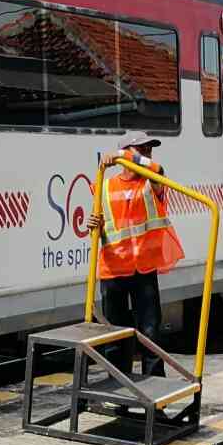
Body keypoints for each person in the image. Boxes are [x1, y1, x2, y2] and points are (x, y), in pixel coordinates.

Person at [85, 138, 186, 378]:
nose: (147, 153)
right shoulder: (105, 186)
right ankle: (118, 386)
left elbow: (158, 169)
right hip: (113, 269)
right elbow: (99, 228)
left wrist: (122, 155)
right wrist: (93, 225)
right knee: (115, 337)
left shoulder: (152, 183)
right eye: (141, 148)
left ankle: (155, 385)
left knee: (151, 333)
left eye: (149, 149)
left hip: (143, 269)